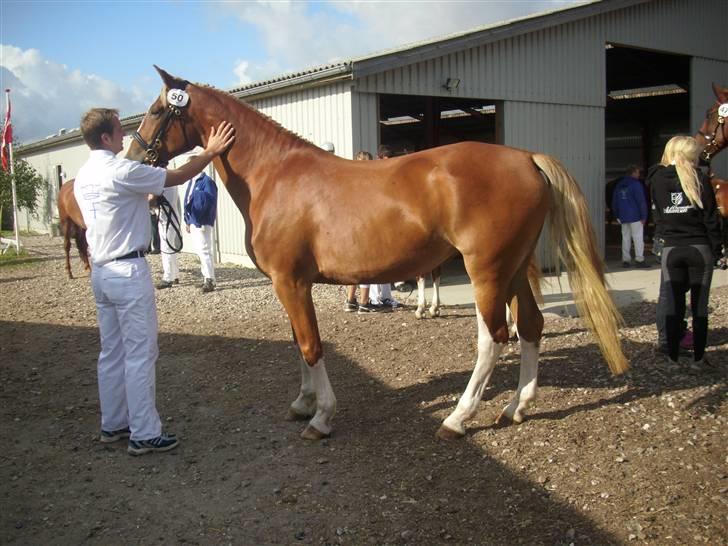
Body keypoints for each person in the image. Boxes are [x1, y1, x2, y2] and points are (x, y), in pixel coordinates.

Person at [73, 108, 234, 455]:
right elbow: (176, 177)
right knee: (140, 353)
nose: (126, 135)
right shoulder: (121, 169)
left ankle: (113, 423)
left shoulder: (85, 174)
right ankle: (144, 432)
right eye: (119, 130)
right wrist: (209, 152)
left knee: (111, 352)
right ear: (105, 138)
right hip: (127, 271)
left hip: (101, 271)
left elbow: (124, 202)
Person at [648, 135, 722, 367]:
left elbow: (658, 215)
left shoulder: (656, 179)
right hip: (699, 248)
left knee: (674, 304)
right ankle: (699, 358)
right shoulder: (699, 179)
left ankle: (672, 355)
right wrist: (717, 249)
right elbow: (711, 218)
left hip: (672, 249)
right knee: (700, 307)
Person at [342, 150, 391, 313]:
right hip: (364, 225)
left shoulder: (348, 180)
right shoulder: (368, 180)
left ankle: (350, 300)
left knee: (352, 266)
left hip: (349, 225)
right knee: (365, 265)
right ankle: (364, 302)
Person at [368, 144, 402, 309]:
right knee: (374, 258)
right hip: (373, 219)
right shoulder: (372, 174)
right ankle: (375, 298)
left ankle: (386, 296)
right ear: (379, 158)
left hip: (385, 219)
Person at [183, 162, 218, 293]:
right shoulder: (192, 181)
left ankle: (210, 279)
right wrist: (187, 220)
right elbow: (187, 201)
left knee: (204, 250)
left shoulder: (207, 182)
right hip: (193, 221)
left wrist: (202, 220)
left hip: (202, 221)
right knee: (200, 250)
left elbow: (210, 202)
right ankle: (206, 278)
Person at [612, 165, 648, 268]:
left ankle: (626, 260)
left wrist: (617, 215)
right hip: (635, 216)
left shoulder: (619, 185)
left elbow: (614, 201)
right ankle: (639, 259)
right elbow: (641, 202)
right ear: (633, 173)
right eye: (637, 173)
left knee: (625, 238)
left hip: (623, 216)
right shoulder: (636, 185)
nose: (639, 175)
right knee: (638, 238)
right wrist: (644, 216)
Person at [155, 185, 182, 289]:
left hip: (167, 218)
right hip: (170, 217)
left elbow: (152, 200)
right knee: (170, 247)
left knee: (166, 248)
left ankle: (168, 278)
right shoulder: (171, 182)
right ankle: (175, 274)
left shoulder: (162, 182)